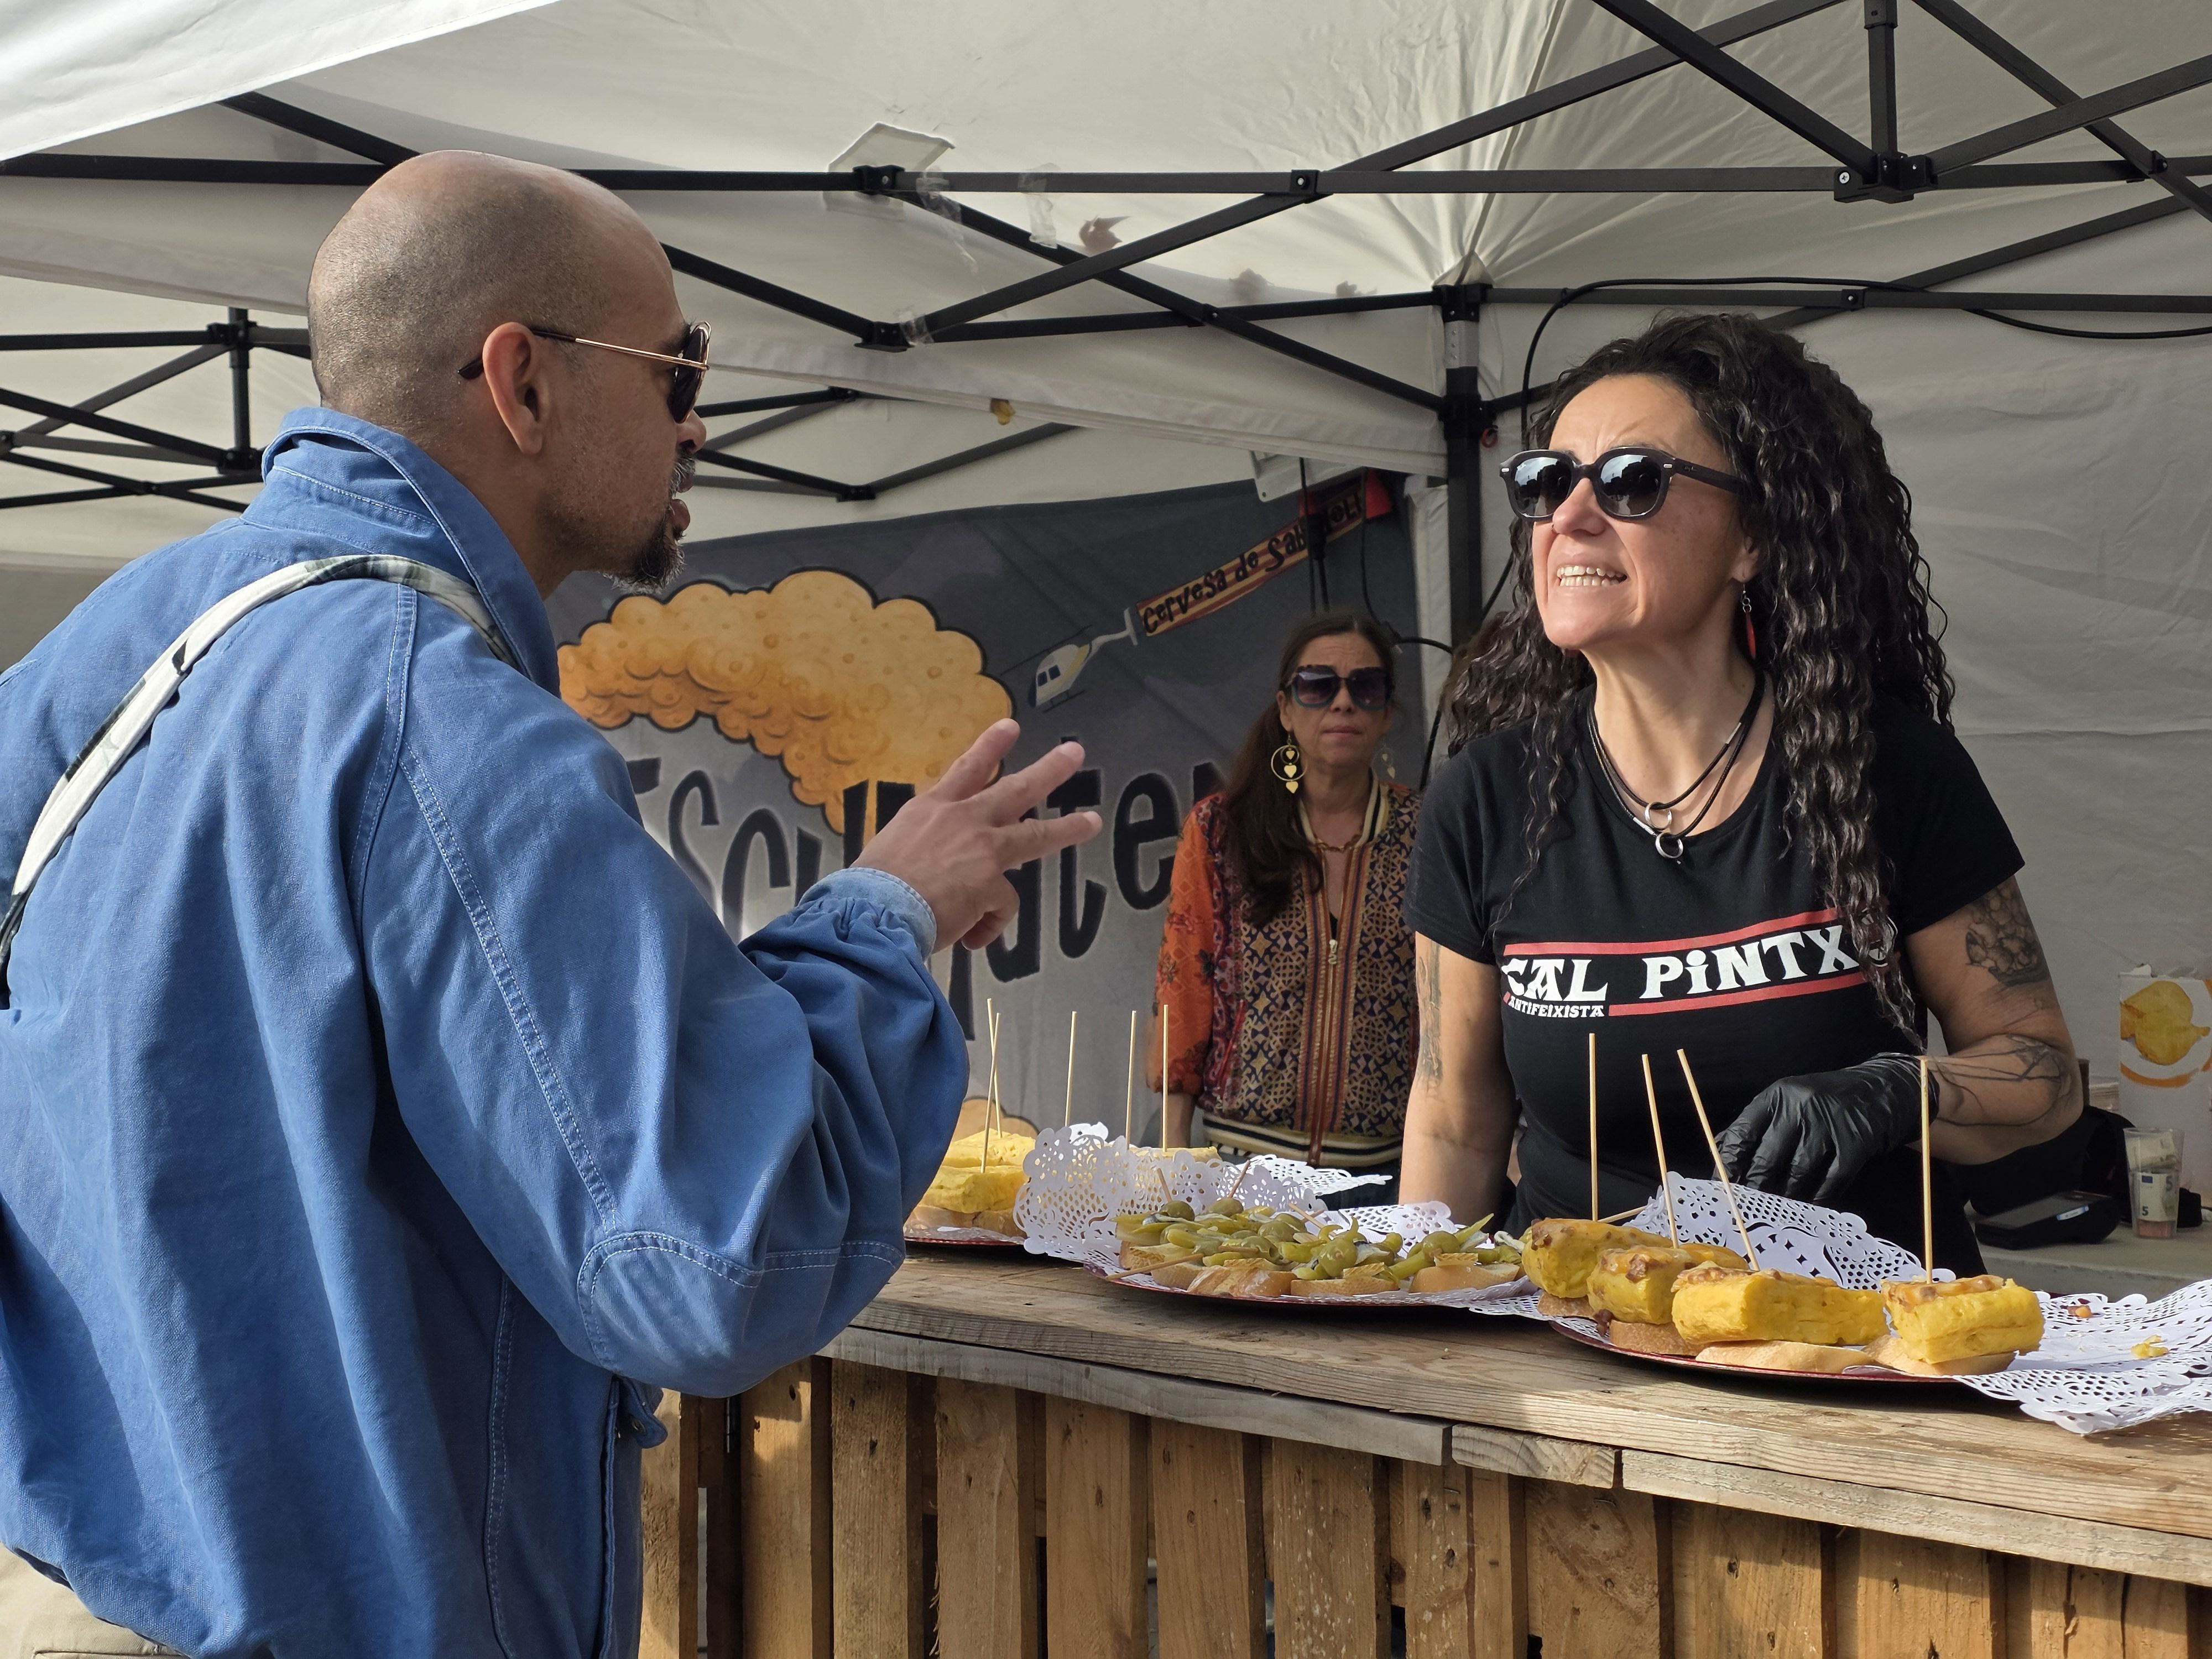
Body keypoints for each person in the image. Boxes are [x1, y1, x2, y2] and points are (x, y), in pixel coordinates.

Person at [0, 152, 1099, 1657]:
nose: (697, 420)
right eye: (674, 368)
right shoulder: (445, 724)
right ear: (520, 382)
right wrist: (883, 918)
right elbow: (717, 1255)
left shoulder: (104, 649)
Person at [1401, 314, 2079, 1270]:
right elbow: (1456, 1126)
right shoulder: (1482, 799)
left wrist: (1899, 1092)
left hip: (1853, 1357)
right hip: (1577, 1360)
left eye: (1632, 480)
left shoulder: (1884, 770)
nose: (1570, 516)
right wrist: (1414, 1333)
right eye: (1545, 480)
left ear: (1752, 537)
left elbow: (2045, 1076)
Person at [1150, 612, 1420, 1192]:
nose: (1342, 703)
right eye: (1318, 685)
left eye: (1365, 687)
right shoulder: (1224, 829)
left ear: (1386, 715)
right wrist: (1172, 1166)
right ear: (1286, 708)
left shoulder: (1426, 831)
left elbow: (1456, 1008)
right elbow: (1185, 988)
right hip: (1238, 1168)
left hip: (1386, 1172)